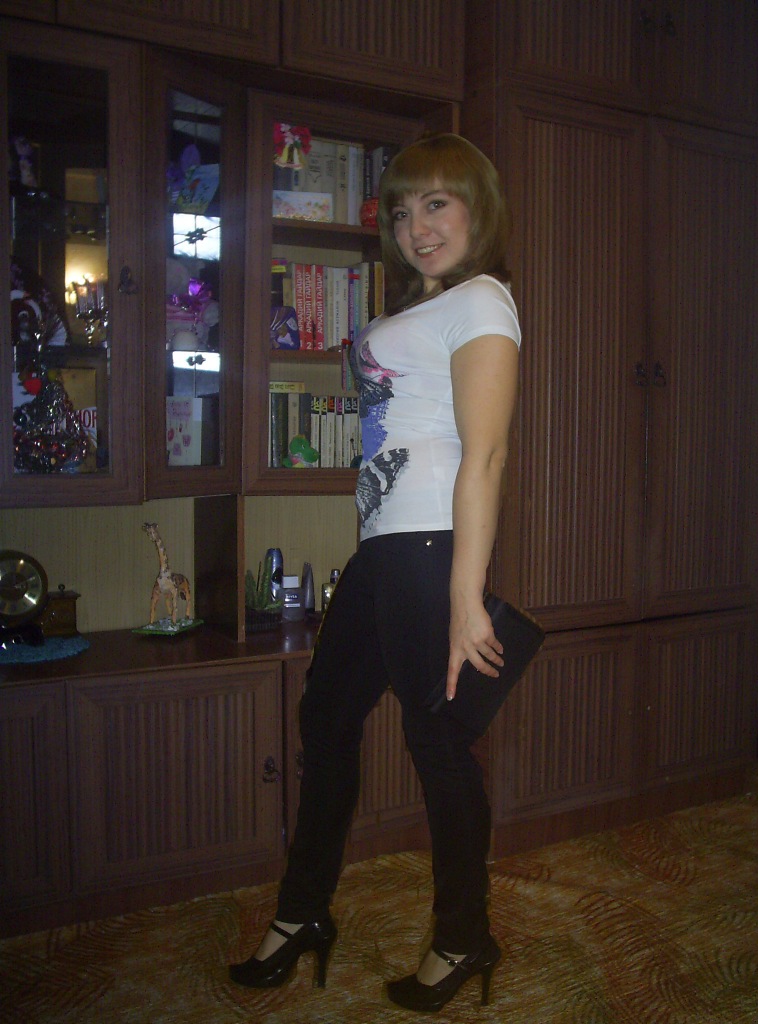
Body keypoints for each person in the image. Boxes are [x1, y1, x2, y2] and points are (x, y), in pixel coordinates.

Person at [229, 133, 521, 1013]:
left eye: (436, 204)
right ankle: (303, 913)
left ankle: (463, 936)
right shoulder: (421, 308)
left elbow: (486, 454)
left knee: (438, 747)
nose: (415, 227)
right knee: (325, 717)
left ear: (476, 209)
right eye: (400, 212)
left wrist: (466, 597)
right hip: (385, 549)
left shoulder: (483, 300)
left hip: (430, 548)